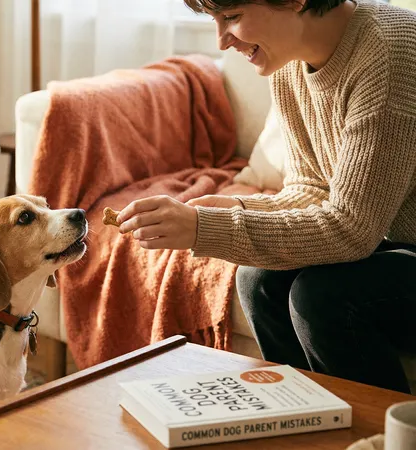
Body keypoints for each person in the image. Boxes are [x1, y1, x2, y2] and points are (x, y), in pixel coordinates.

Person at [116, 0, 416, 394]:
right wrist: (238, 208)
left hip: (398, 246)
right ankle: (300, 419)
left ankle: (383, 436)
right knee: (258, 279)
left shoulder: (390, 53)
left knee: (323, 299)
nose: (222, 41)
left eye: (233, 18)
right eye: (214, 21)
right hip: (390, 250)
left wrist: (205, 229)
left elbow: (351, 229)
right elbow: (311, 187)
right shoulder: (288, 65)